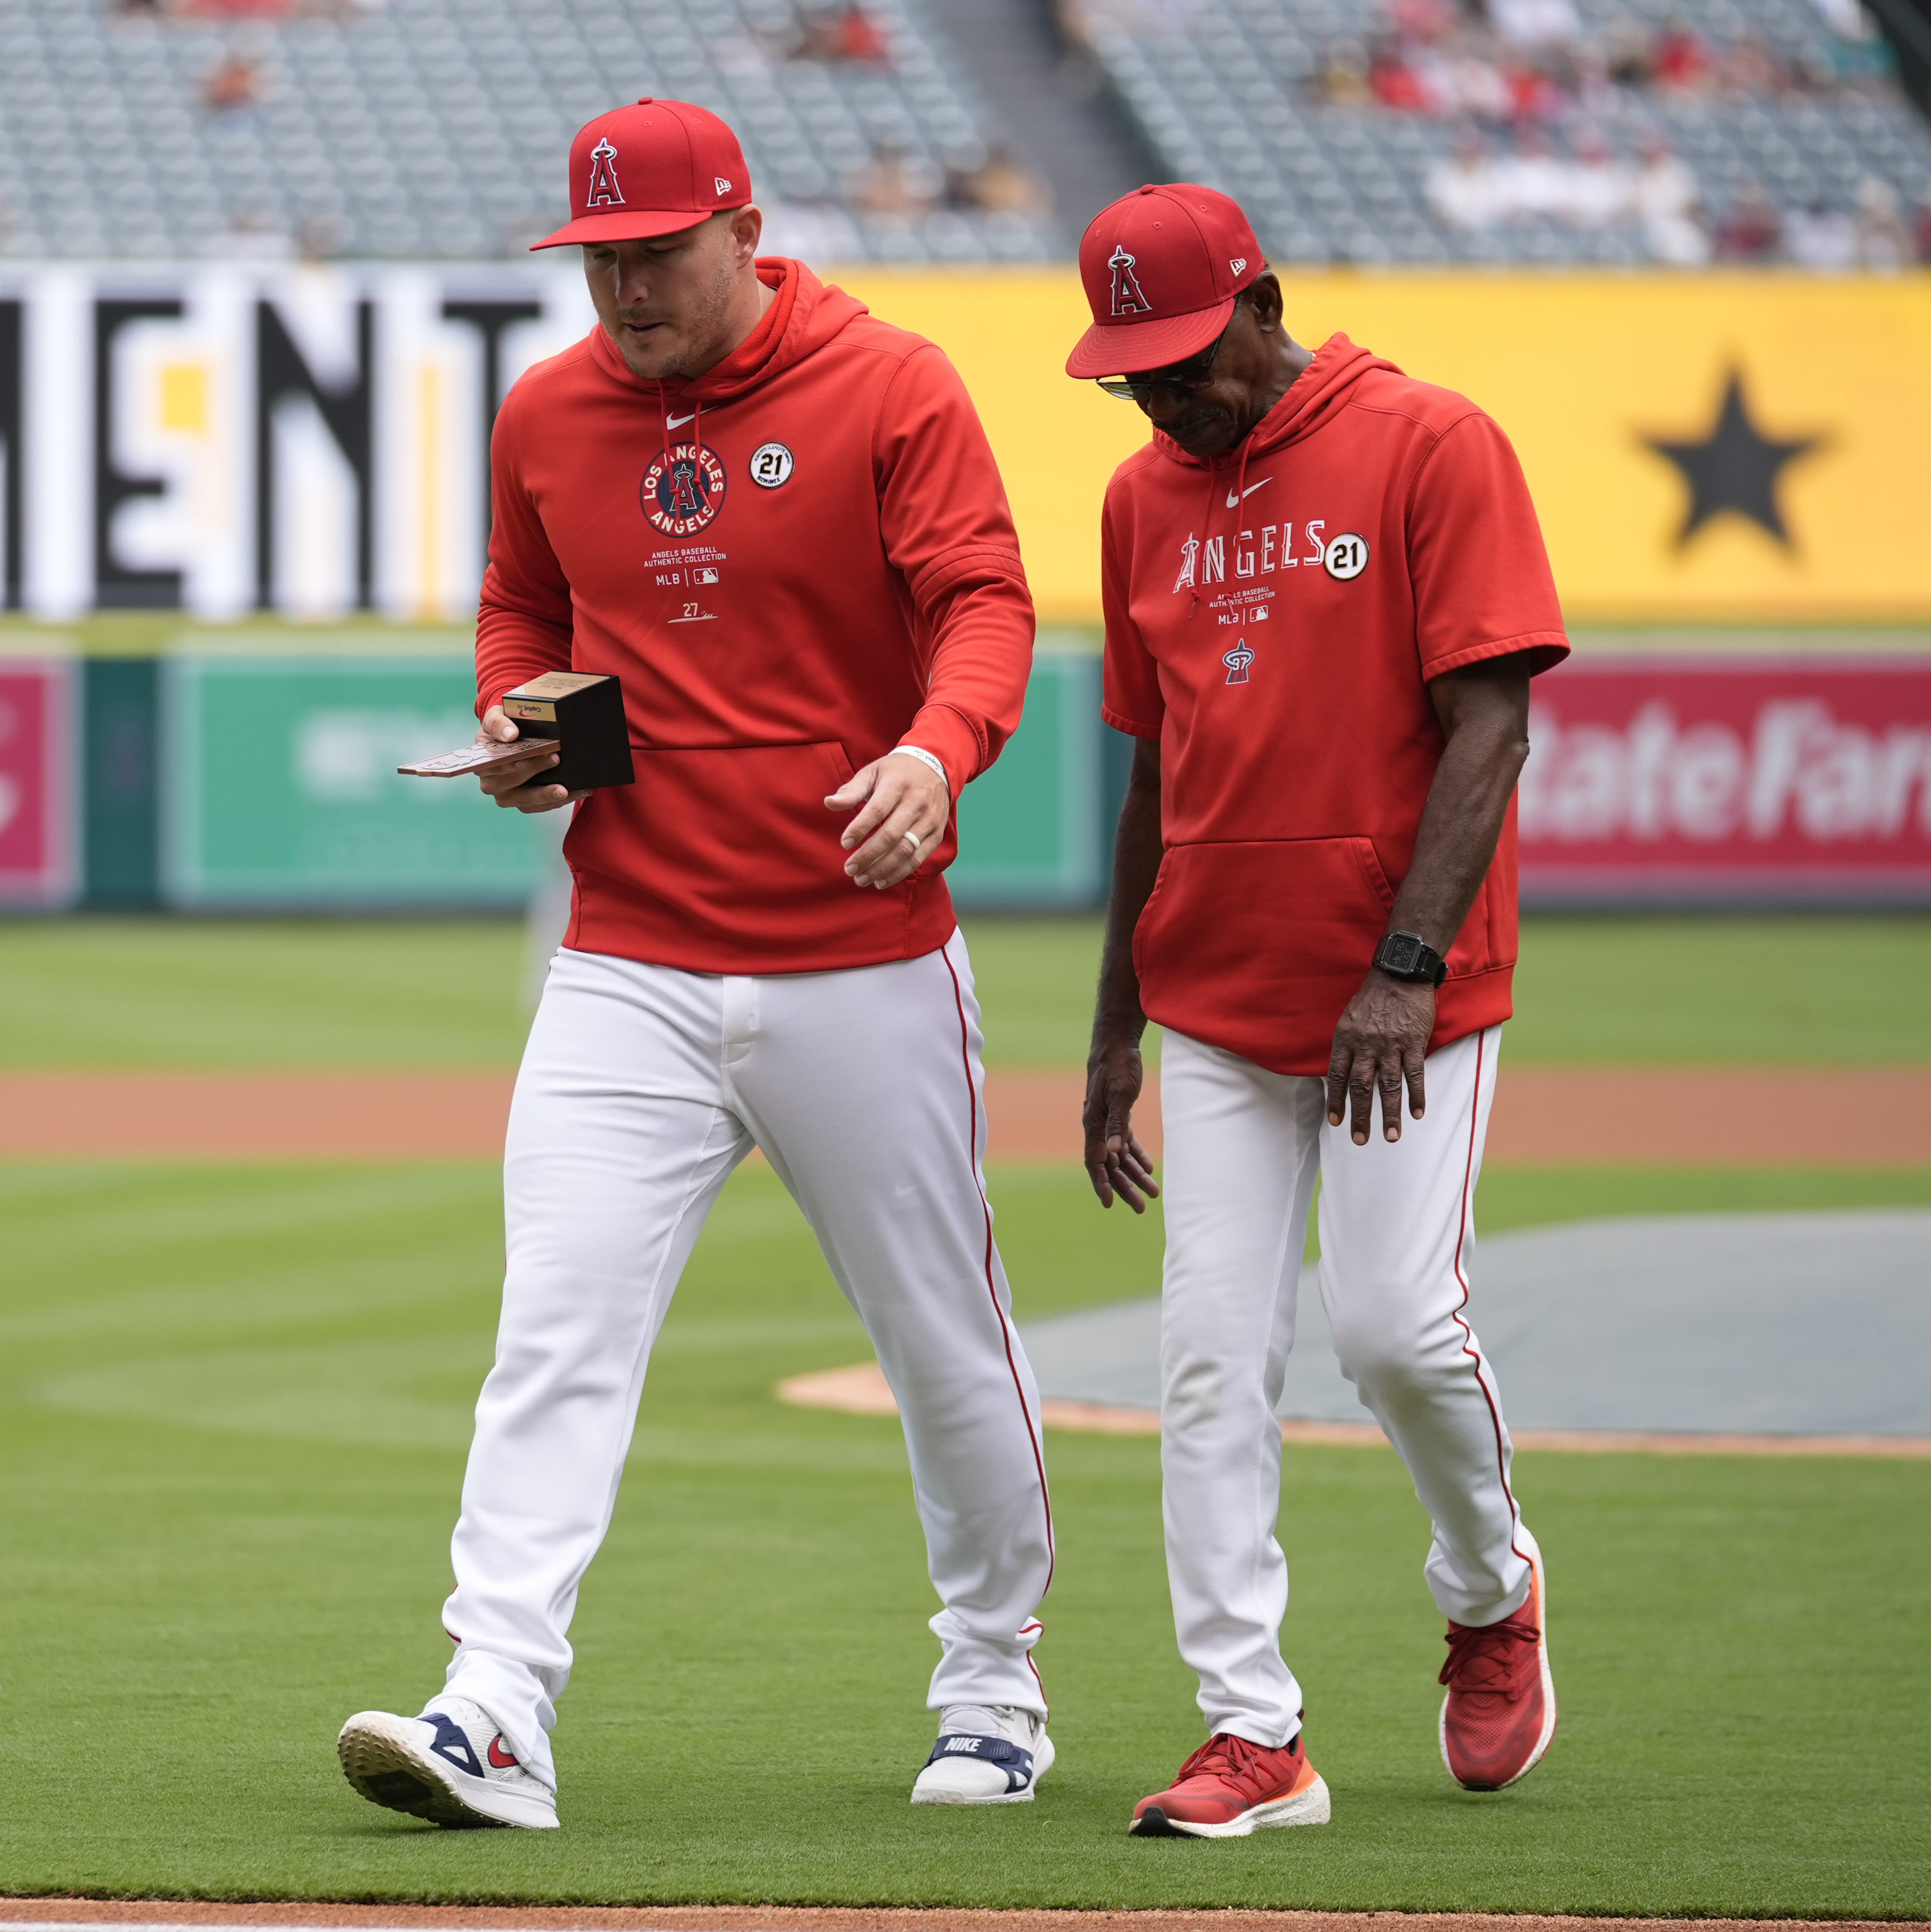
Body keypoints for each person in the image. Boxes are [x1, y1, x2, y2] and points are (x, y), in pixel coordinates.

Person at [337, 97, 1054, 1831]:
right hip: (630, 954)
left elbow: (986, 599)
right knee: (554, 1328)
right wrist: (515, 717)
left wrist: (937, 751)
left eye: (655, 251)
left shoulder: (890, 384)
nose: (625, 288)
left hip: (855, 952)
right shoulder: (550, 407)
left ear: (742, 227)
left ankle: (993, 1677)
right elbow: (525, 607)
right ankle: (493, 1701)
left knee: (941, 1339)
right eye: (597, 258)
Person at [1065, 184, 1569, 1838]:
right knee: (1208, 1360)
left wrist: (1403, 969)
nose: (1159, 399)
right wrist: (1111, 1023)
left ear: (1263, 302)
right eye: (1130, 375)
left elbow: (1487, 728)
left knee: (1392, 1329)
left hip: (1399, 993)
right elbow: (1154, 775)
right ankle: (1250, 1732)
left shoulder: (1433, 443)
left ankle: (1490, 1588)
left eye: (1183, 362)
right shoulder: (1142, 499)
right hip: (1213, 987)